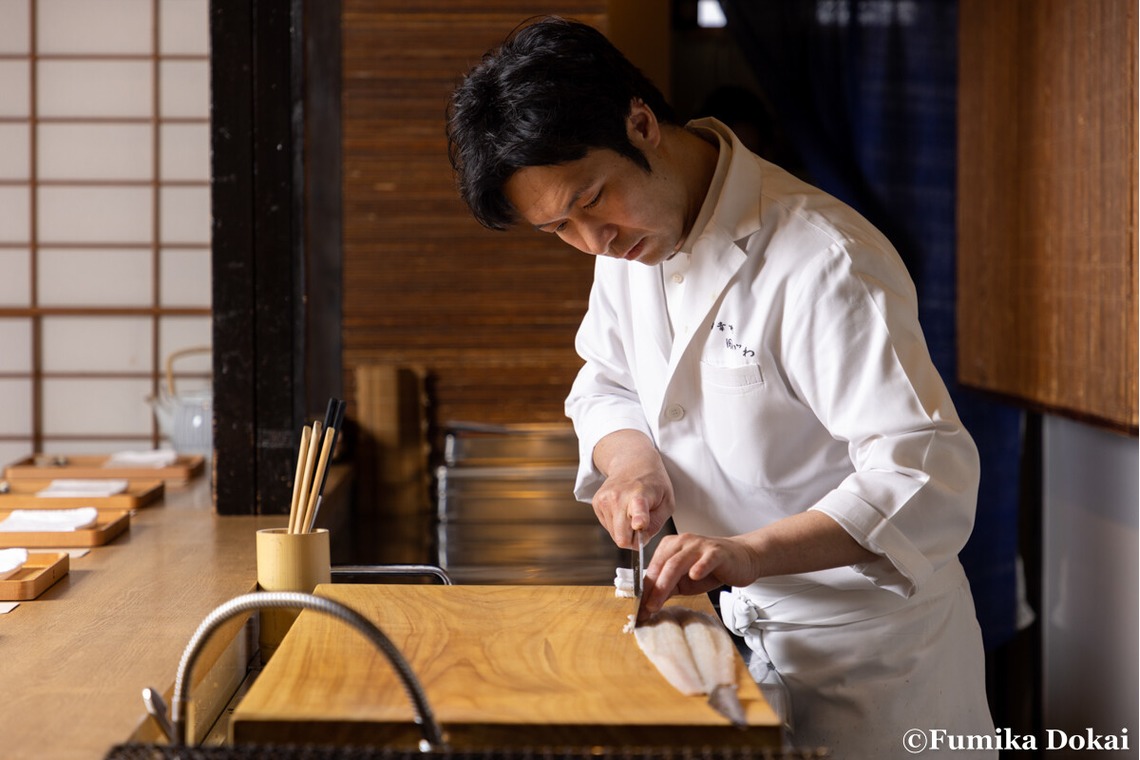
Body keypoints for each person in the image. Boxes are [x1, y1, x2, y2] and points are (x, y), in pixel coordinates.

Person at [446, 16, 995, 758]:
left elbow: (927, 477)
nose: (592, 241)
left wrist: (752, 552)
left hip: (879, 661)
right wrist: (632, 466)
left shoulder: (823, 258)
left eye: (592, 199)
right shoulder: (625, 245)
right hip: (740, 631)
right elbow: (606, 381)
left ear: (641, 123)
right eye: (558, 229)